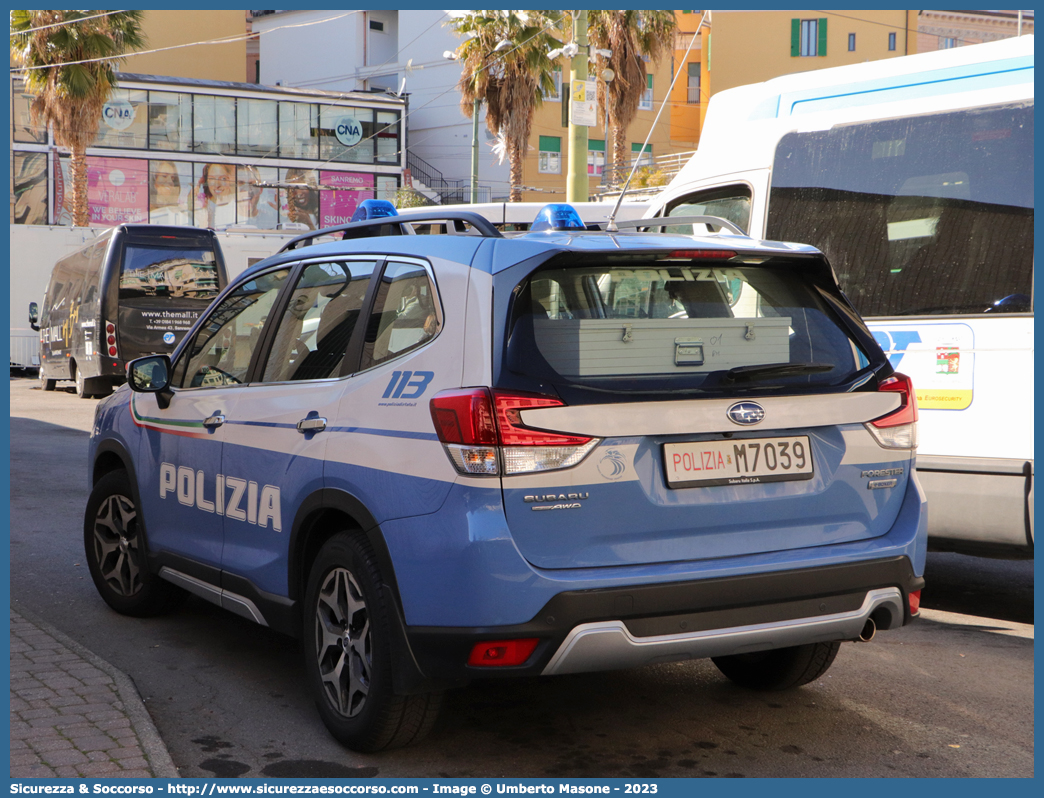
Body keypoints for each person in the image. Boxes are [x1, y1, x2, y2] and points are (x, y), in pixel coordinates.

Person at [197, 163, 236, 228]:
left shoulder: (237, 207)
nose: (217, 185)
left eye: (223, 178)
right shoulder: (201, 207)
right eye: (212, 179)